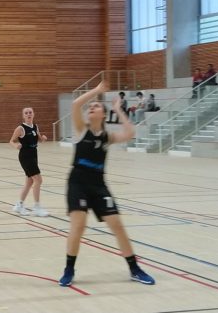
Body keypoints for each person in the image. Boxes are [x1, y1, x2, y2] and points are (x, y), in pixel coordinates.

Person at [59, 82, 155, 287]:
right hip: (78, 183)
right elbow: (76, 104)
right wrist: (96, 91)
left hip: (98, 184)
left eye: (96, 106)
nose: (91, 107)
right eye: (90, 107)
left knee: (117, 225)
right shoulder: (81, 130)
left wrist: (118, 109)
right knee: (79, 225)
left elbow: (130, 133)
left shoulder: (107, 136)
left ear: (103, 114)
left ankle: (134, 269)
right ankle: (69, 269)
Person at [9, 107, 49, 217]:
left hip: (34, 155)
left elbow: (39, 139)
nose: (28, 114)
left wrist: (43, 139)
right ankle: (37, 207)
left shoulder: (35, 126)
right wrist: (16, 145)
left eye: (30, 112)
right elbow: (11, 141)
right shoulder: (20, 128)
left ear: (33, 114)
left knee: (29, 182)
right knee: (38, 180)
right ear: (23, 116)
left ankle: (19, 205)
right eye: (26, 113)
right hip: (25, 156)